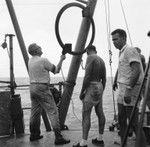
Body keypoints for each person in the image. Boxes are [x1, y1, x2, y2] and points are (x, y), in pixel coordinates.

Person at [28, 43, 70, 145]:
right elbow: (56, 70)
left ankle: (34, 135)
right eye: (39, 47)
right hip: (42, 88)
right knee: (53, 112)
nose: (41, 47)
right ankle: (58, 138)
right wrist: (61, 59)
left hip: (32, 87)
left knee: (35, 112)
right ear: (36, 50)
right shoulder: (43, 60)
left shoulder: (30, 60)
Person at [111, 29, 144, 144]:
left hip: (130, 88)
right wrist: (116, 80)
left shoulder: (130, 50)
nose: (114, 42)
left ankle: (142, 145)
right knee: (121, 118)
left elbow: (136, 70)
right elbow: (123, 68)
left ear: (124, 38)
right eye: (113, 40)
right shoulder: (121, 52)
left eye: (116, 39)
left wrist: (129, 89)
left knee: (133, 122)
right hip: (122, 88)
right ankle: (123, 143)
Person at [73, 45, 106, 147]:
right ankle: (100, 138)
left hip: (91, 86)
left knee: (86, 114)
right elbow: (104, 79)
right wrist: (101, 90)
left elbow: (87, 77)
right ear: (96, 50)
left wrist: (82, 91)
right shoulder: (101, 60)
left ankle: (83, 143)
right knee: (100, 112)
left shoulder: (90, 57)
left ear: (87, 51)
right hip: (99, 85)